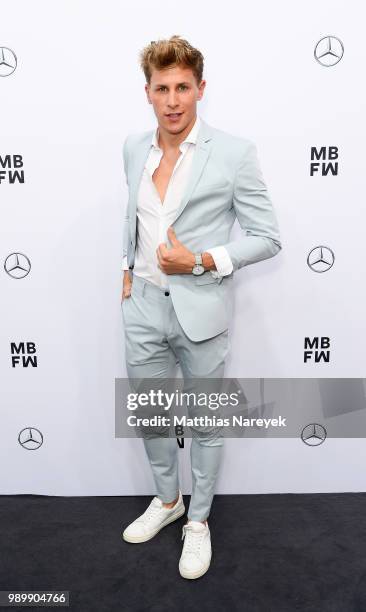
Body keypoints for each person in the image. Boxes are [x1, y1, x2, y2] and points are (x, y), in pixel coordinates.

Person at [120, 35, 282, 579]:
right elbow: (135, 218)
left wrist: (203, 260)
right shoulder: (132, 148)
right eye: (162, 88)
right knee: (151, 416)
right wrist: (127, 269)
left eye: (183, 87)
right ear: (147, 92)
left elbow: (267, 237)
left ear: (200, 89)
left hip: (201, 311)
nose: (172, 100)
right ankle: (168, 503)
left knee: (205, 422)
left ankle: (199, 522)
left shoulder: (234, 153)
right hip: (142, 307)